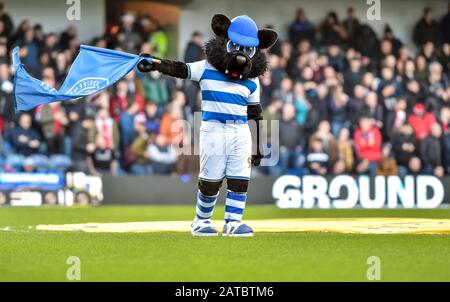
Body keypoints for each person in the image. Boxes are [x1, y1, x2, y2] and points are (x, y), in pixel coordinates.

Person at [137, 14, 278, 237]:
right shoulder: (206, 67)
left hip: (240, 131)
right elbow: (181, 69)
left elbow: (255, 114)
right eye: (236, 46)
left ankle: (233, 221)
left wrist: (257, 146)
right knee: (211, 179)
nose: (240, 53)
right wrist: (156, 64)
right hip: (214, 129)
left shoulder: (252, 80)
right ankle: (201, 220)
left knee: (239, 177)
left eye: (246, 49)